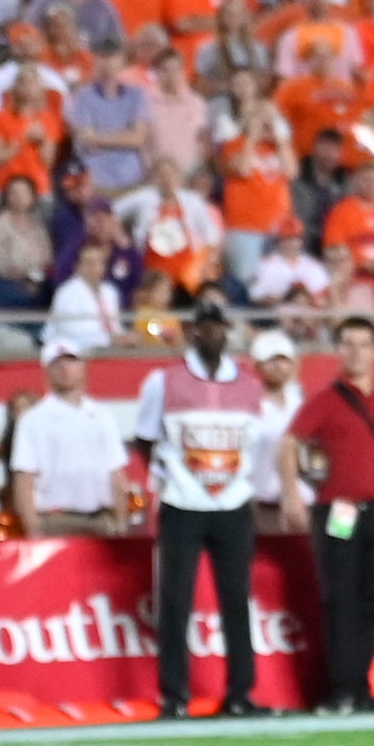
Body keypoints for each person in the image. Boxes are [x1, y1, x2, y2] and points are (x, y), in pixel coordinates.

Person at [132, 295, 269, 717]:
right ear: (192, 332)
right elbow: (143, 437)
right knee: (175, 601)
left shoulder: (248, 384)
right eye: (203, 327)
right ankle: (174, 695)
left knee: (236, 600)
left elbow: (254, 441)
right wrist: (169, 476)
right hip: (182, 504)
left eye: (217, 327)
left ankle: (240, 692)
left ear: (227, 332)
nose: (211, 334)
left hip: (233, 504)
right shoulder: (164, 381)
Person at [285, 313, 374, 711]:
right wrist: (292, 493)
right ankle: (342, 688)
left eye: (364, 344)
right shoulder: (325, 401)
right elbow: (289, 443)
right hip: (340, 510)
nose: (357, 352)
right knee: (340, 598)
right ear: (339, 350)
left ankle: (360, 688)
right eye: (349, 344)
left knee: (372, 600)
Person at [5, 343, 135, 536]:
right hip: (54, 520)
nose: (65, 368)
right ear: (47, 371)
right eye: (57, 364)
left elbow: (115, 472)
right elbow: (24, 479)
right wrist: (32, 528)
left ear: (82, 367)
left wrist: (122, 520)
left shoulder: (101, 415)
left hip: (100, 518)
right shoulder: (34, 420)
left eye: (71, 361)